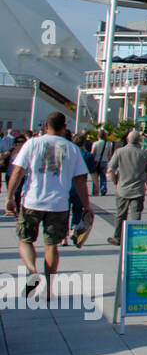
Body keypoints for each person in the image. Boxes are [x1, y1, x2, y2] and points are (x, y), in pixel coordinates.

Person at [5, 112, 91, 298]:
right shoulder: (72, 148)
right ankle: (49, 289)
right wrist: (86, 206)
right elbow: (81, 181)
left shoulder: (32, 144)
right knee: (51, 246)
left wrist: (10, 197)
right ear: (64, 127)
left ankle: (32, 270)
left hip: (32, 201)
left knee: (26, 240)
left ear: (45, 125)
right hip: (58, 204)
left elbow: (18, 171)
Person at [106, 130, 147, 245]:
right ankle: (135, 239)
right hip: (138, 189)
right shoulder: (143, 154)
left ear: (127, 139)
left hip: (122, 189)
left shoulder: (119, 152)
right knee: (136, 215)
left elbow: (110, 169)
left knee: (120, 214)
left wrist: (115, 181)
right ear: (139, 140)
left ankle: (117, 237)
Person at [90, 132, 115, 196]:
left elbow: (93, 153)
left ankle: (95, 189)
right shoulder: (108, 144)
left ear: (98, 136)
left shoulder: (95, 143)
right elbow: (109, 154)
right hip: (104, 161)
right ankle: (103, 189)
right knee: (103, 176)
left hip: (96, 161)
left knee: (95, 177)